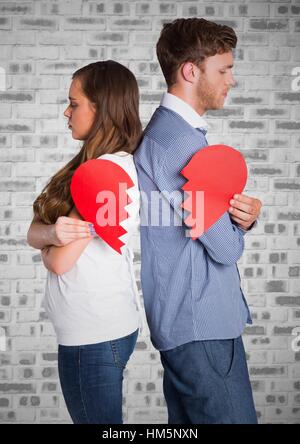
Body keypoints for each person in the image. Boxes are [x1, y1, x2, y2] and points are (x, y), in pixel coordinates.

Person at [134, 18, 262, 424]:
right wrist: (238, 229)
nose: (232, 80)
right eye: (223, 69)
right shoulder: (178, 143)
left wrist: (243, 217)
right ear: (191, 71)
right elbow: (224, 248)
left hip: (188, 321)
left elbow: (202, 224)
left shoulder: (171, 135)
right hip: (201, 324)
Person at [27, 60, 143, 424]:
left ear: (101, 107)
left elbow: (59, 261)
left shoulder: (106, 173)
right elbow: (34, 231)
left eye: (74, 103)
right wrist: (50, 236)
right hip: (95, 330)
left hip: (93, 335)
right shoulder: (93, 165)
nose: (66, 111)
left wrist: (47, 243)